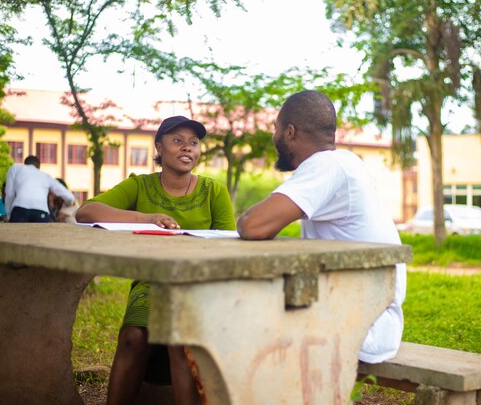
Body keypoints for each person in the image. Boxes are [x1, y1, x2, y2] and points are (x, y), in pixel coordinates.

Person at [75, 115, 235, 405]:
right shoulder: (140, 186)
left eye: (194, 143)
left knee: (181, 341)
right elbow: (86, 211)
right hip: (152, 284)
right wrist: (146, 219)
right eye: (178, 141)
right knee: (133, 337)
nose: (188, 148)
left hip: (201, 285)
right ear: (159, 147)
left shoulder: (214, 192)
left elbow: (229, 246)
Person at [237, 90, 406, 364]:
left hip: (364, 324)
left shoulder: (327, 166)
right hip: (360, 310)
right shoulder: (344, 162)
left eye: (276, 130)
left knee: (228, 320)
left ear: (290, 132)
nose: (273, 137)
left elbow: (252, 226)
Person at [5, 155, 75, 223]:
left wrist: (9, 215)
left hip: (20, 209)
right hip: (41, 211)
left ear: (25, 164)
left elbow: (9, 193)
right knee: (40, 235)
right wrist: (69, 202)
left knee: (17, 234)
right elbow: (70, 197)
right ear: (38, 167)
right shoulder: (45, 176)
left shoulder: (15, 169)